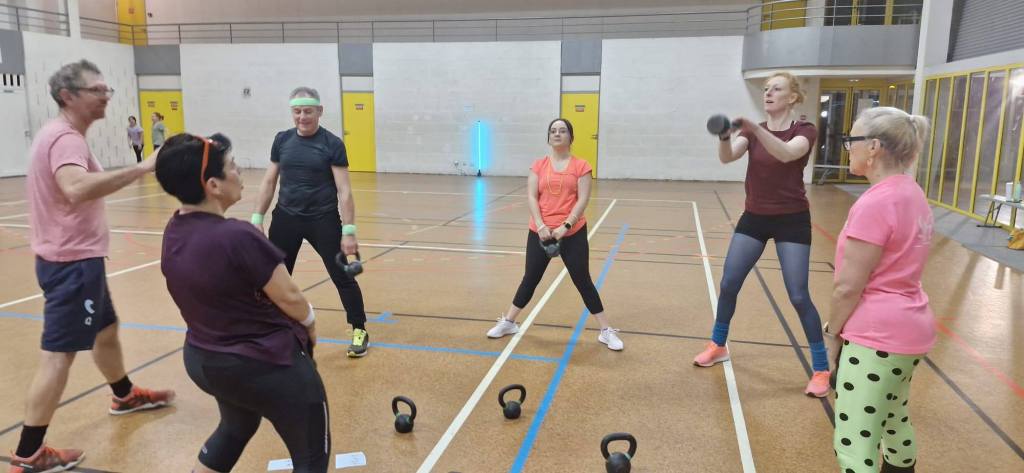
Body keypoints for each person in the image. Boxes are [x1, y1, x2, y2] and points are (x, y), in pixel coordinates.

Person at [9, 59, 174, 473]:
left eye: (106, 89)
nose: (105, 96)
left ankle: (124, 395)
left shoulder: (62, 135)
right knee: (58, 357)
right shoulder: (65, 139)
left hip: (75, 260)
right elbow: (76, 187)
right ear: (68, 96)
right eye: (96, 90)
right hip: (71, 264)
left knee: (106, 330)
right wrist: (143, 167)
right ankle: (29, 453)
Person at [156, 133, 331, 473]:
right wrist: (310, 325)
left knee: (236, 427)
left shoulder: (174, 229)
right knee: (311, 456)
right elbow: (290, 297)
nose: (239, 173)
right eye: (232, 167)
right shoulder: (237, 236)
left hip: (204, 361)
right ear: (213, 185)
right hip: (264, 366)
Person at [692, 71, 831, 397]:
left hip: (792, 220)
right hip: (755, 216)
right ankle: (718, 345)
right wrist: (725, 136)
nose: (768, 93)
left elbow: (787, 153)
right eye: (766, 88)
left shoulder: (804, 130)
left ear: (792, 97)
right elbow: (728, 157)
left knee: (798, 295)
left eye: (776, 89)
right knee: (729, 283)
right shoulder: (754, 132)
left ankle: (821, 368)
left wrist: (755, 129)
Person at [826, 107, 933, 473]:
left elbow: (847, 287)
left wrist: (832, 335)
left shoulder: (876, 202)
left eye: (851, 141)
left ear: (872, 147)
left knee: (854, 440)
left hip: (877, 335)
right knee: (893, 417)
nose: (848, 149)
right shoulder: (911, 192)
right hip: (910, 328)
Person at [485, 118, 623, 351]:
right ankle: (509, 322)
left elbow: (582, 200)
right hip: (540, 231)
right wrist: (540, 226)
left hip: (572, 232)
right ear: (548, 137)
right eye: (553, 131)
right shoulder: (538, 165)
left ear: (571, 137)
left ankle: (606, 331)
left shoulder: (581, 166)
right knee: (530, 278)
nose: (557, 134)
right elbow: (532, 196)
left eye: (562, 131)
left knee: (582, 280)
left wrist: (565, 227)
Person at [252, 86, 370, 358]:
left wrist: (349, 231)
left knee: (342, 276)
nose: (302, 117)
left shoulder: (332, 144)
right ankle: (270, 331)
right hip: (286, 218)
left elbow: (344, 190)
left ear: (319, 111)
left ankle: (359, 329)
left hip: (323, 219)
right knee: (274, 278)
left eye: (307, 111)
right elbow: (269, 181)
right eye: (297, 111)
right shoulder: (282, 140)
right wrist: (257, 218)